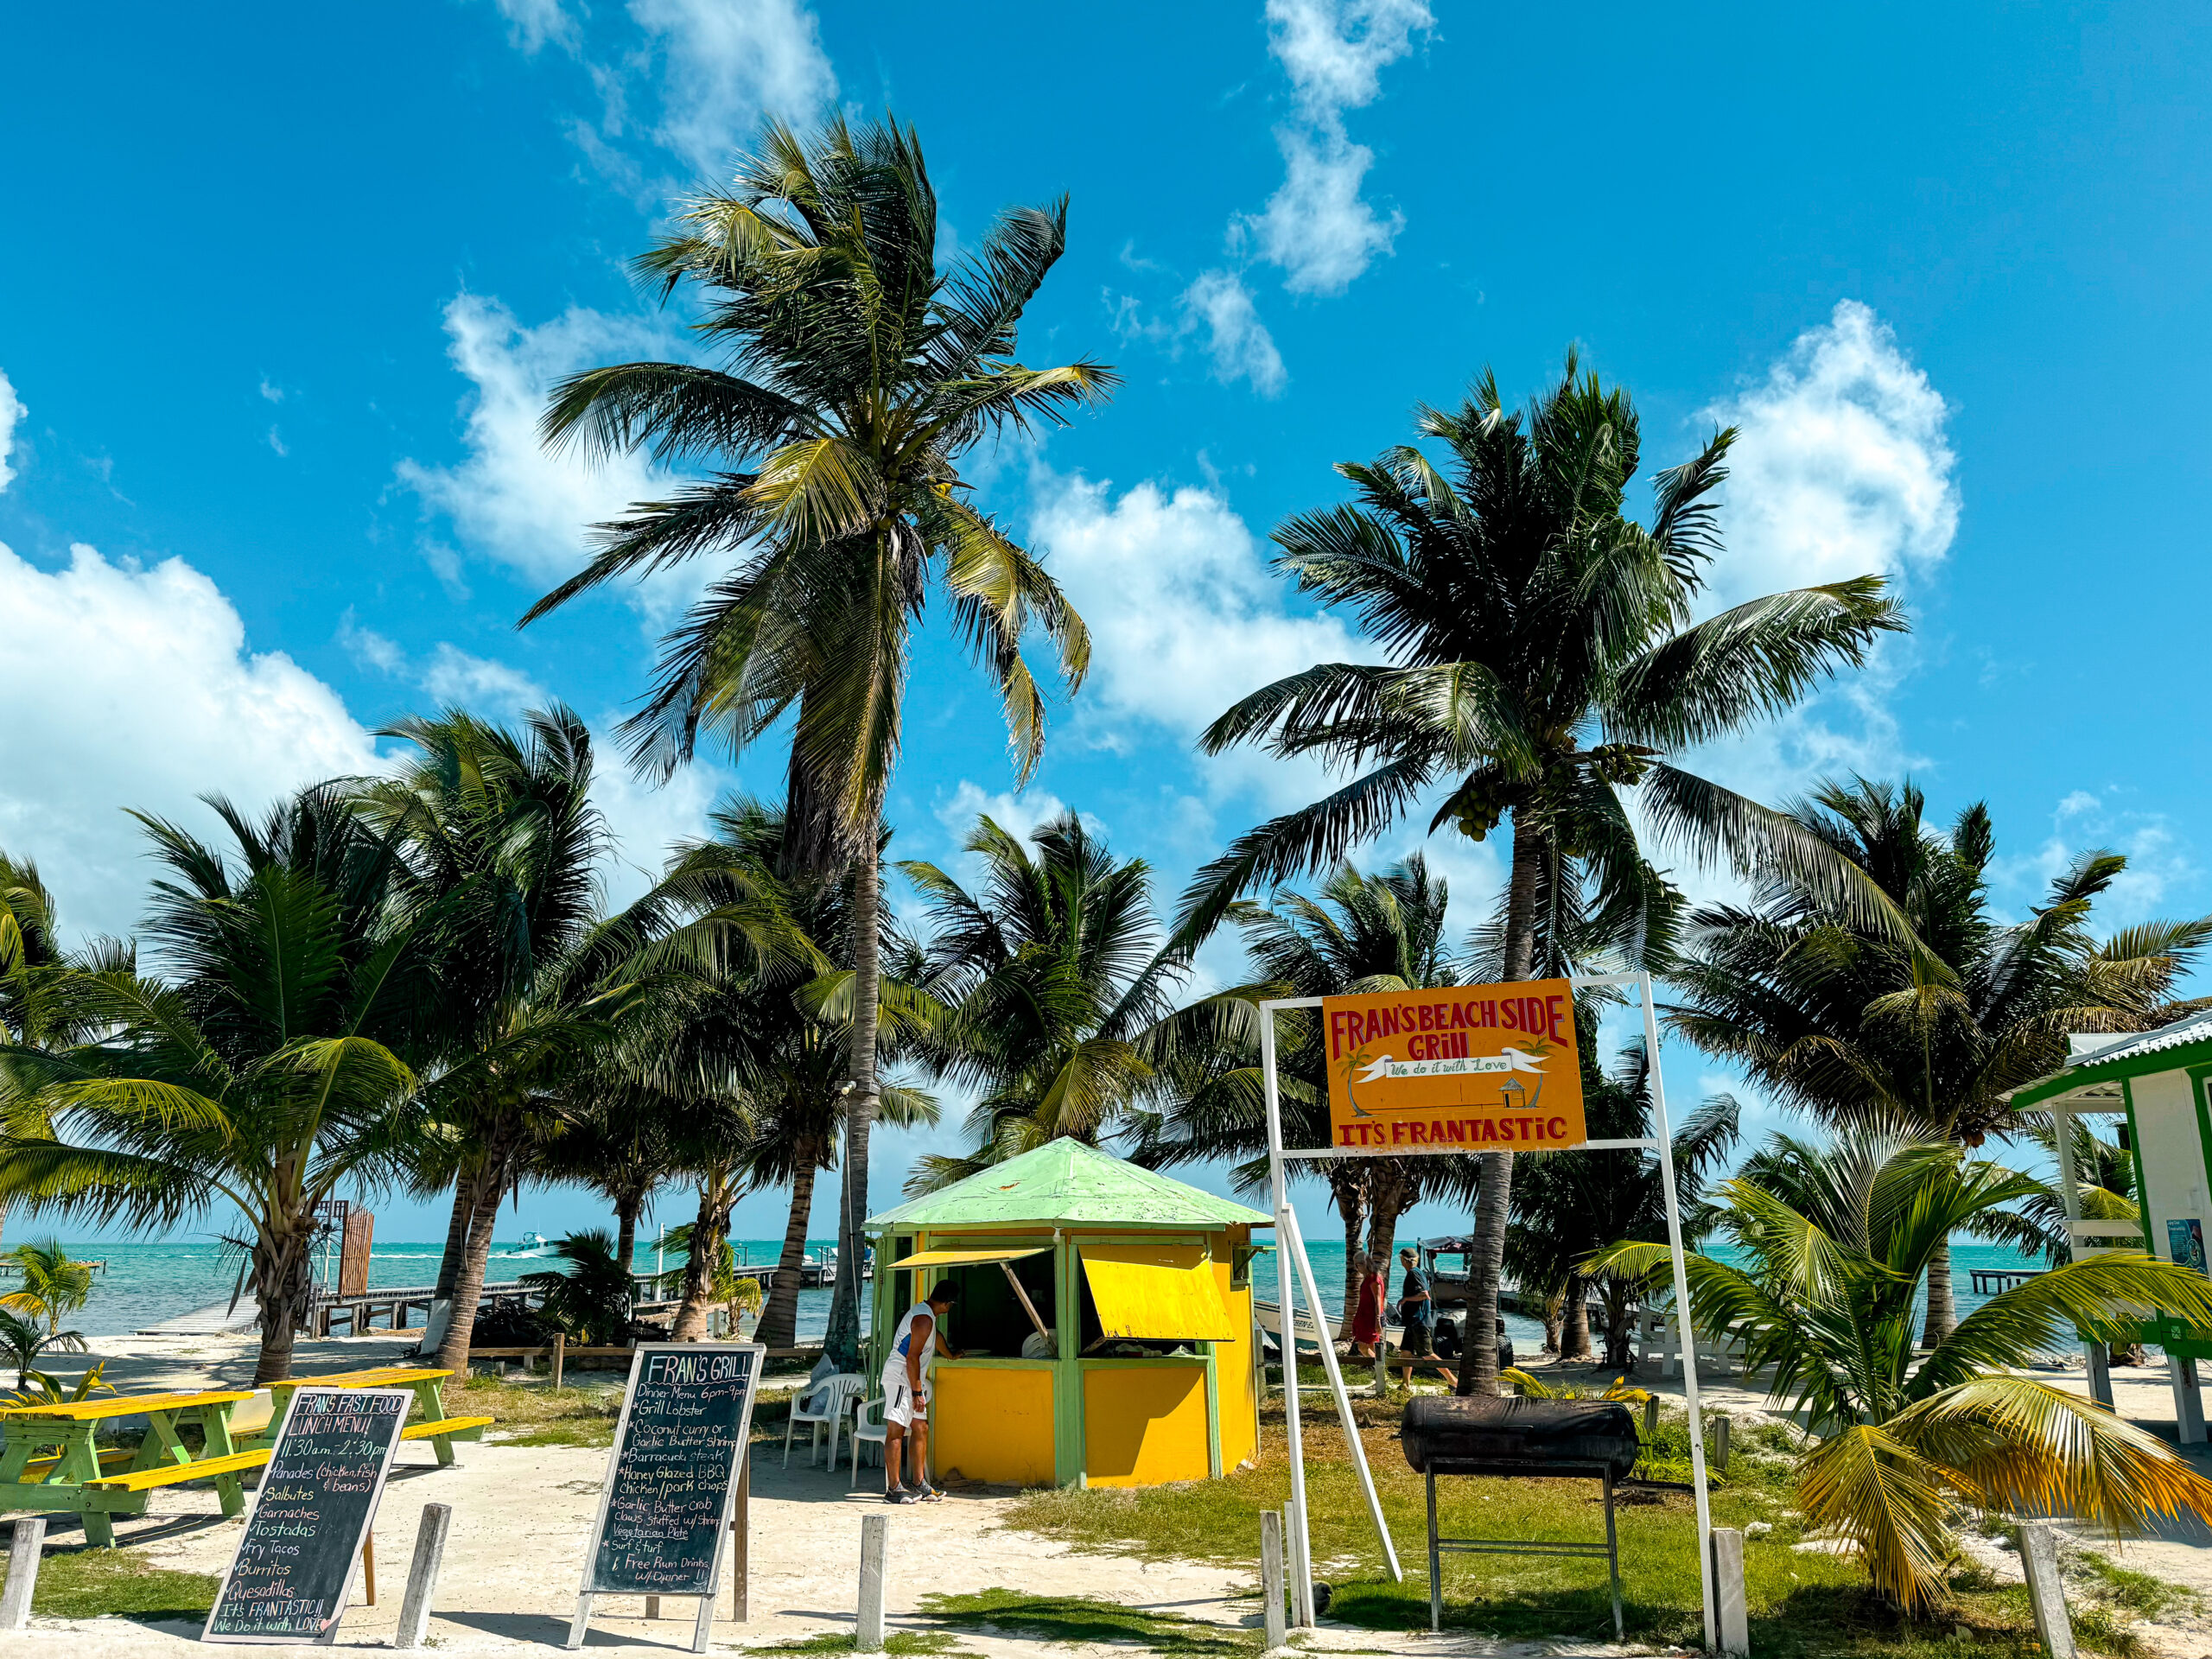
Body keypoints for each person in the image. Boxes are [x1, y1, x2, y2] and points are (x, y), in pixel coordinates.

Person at [881, 1279, 960, 1503]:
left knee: (921, 1427)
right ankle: (893, 1489)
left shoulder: (928, 1317)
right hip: (900, 1378)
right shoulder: (924, 1319)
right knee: (896, 1430)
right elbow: (912, 1356)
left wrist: (952, 1355)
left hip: (911, 1379)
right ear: (947, 1303)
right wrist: (917, 1393)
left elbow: (937, 1339)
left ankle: (919, 1483)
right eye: (951, 1305)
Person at [1397, 1246, 1456, 1389]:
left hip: (1420, 1321)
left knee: (1427, 1354)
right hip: (1412, 1322)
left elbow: (1424, 1294)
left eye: (1401, 1259)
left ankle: (1453, 1380)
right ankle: (1405, 1384)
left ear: (1404, 1260)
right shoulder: (1415, 1273)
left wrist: (1405, 1299)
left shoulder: (1414, 1274)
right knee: (1406, 1352)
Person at [1348, 1251, 1383, 1358]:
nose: (1356, 1268)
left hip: (1370, 1318)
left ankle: (1378, 1368)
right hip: (1365, 1317)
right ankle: (1378, 1372)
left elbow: (1378, 1300)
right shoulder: (1368, 1278)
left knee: (1363, 1347)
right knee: (1371, 1346)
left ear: (1363, 1264)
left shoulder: (1373, 1279)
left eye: (1357, 1265)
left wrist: (1377, 1320)